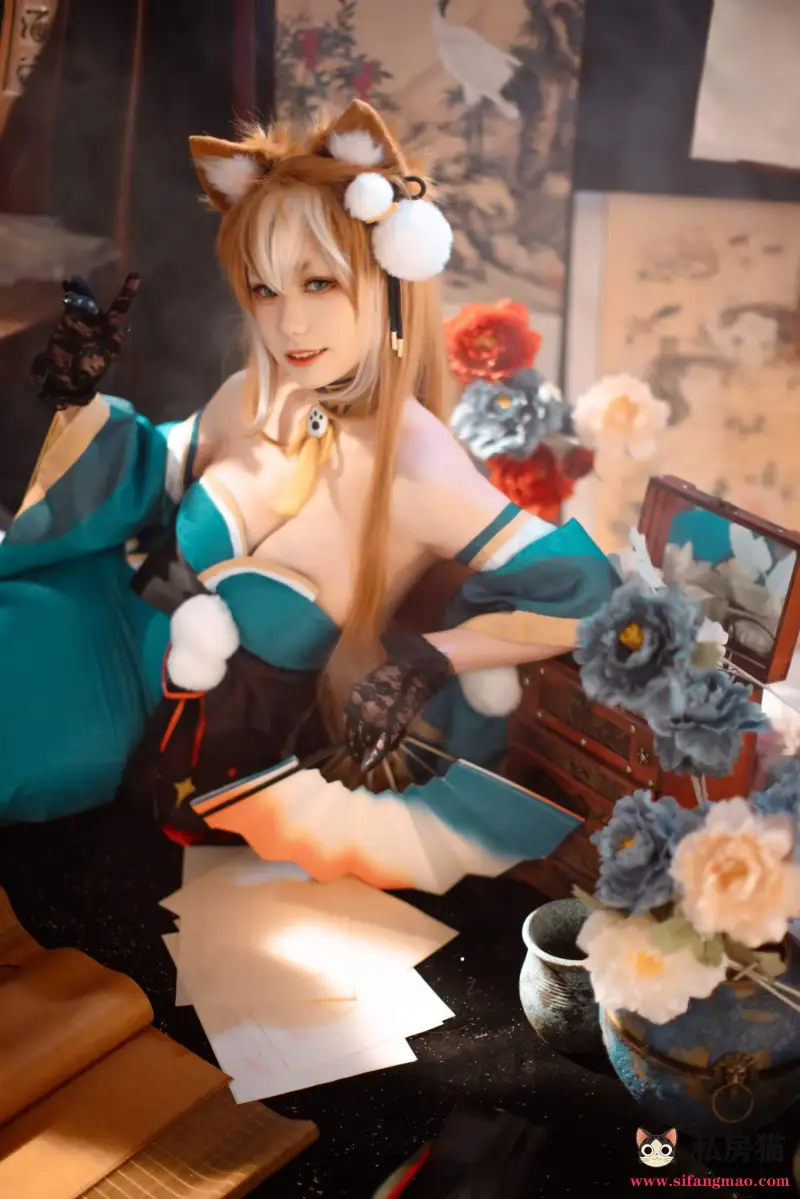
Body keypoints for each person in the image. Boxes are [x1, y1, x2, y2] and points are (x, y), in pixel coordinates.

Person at [0, 99, 617, 845]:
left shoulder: (417, 467)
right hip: (69, 608)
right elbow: (141, 478)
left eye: (318, 282)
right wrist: (77, 401)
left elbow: (588, 596)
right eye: (265, 289)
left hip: (119, 732)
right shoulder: (254, 393)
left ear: (389, 275)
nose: (289, 323)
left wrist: (431, 660)